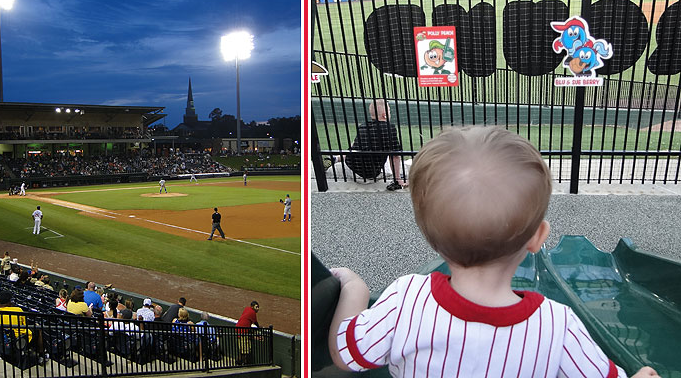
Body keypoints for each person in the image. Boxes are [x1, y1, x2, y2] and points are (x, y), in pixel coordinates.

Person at [327, 126, 660, 378]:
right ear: (537, 238)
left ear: (428, 235)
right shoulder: (558, 327)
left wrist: (356, 287)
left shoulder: (405, 300)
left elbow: (345, 353)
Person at [343, 99, 406, 191]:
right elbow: (395, 156)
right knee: (390, 161)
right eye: (389, 110)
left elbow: (353, 146)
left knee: (356, 147)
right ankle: (397, 179)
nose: (390, 112)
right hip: (369, 176)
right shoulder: (390, 128)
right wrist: (398, 180)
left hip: (349, 166)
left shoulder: (363, 126)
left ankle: (336, 158)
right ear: (385, 115)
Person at [235, 301, 260, 365]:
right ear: (252, 306)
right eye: (256, 307)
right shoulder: (252, 312)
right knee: (245, 350)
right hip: (242, 332)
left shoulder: (247, 309)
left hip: (239, 330)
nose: (257, 309)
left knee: (243, 349)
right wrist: (259, 327)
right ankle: (241, 362)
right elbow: (255, 322)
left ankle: (240, 362)